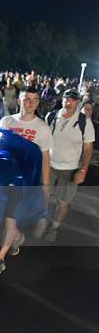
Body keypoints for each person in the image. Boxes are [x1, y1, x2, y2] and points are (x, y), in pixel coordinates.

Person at [0, 87, 52, 274]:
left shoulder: (42, 128)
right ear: (19, 101)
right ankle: (17, 238)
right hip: (0, 178)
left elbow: (45, 158)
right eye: (26, 99)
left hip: (22, 183)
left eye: (34, 100)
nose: (30, 103)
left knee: (10, 219)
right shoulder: (7, 121)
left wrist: (45, 185)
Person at [35, 89, 95, 242]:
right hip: (50, 164)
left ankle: (54, 228)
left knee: (64, 202)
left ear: (78, 102)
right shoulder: (52, 116)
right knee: (44, 196)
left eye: (73, 100)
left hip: (71, 168)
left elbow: (88, 149)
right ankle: (42, 220)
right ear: (62, 100)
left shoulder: (84, 121)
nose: (69, 102)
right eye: (66, 99)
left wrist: (83, 169)